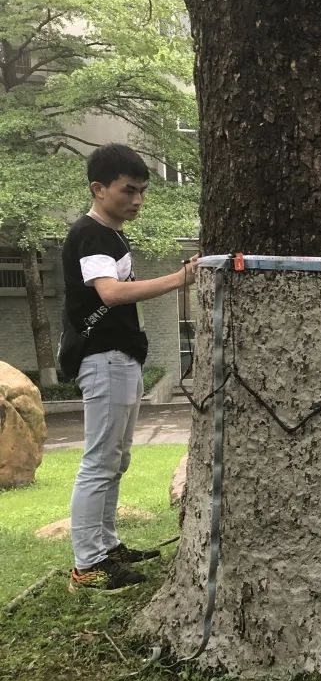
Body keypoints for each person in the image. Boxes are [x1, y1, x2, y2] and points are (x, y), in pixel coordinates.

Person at [64, 143, 198, 592]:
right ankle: (88, 565)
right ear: (98, 189)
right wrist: (179, 279)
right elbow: (112, 293)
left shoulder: (111, 234)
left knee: (115, 459)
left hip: (118, 357)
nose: (137, 200)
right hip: (102, 358)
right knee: (100, 461)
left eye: (142, 191)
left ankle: (106, 546)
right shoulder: (92, 234)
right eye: (128, 190)